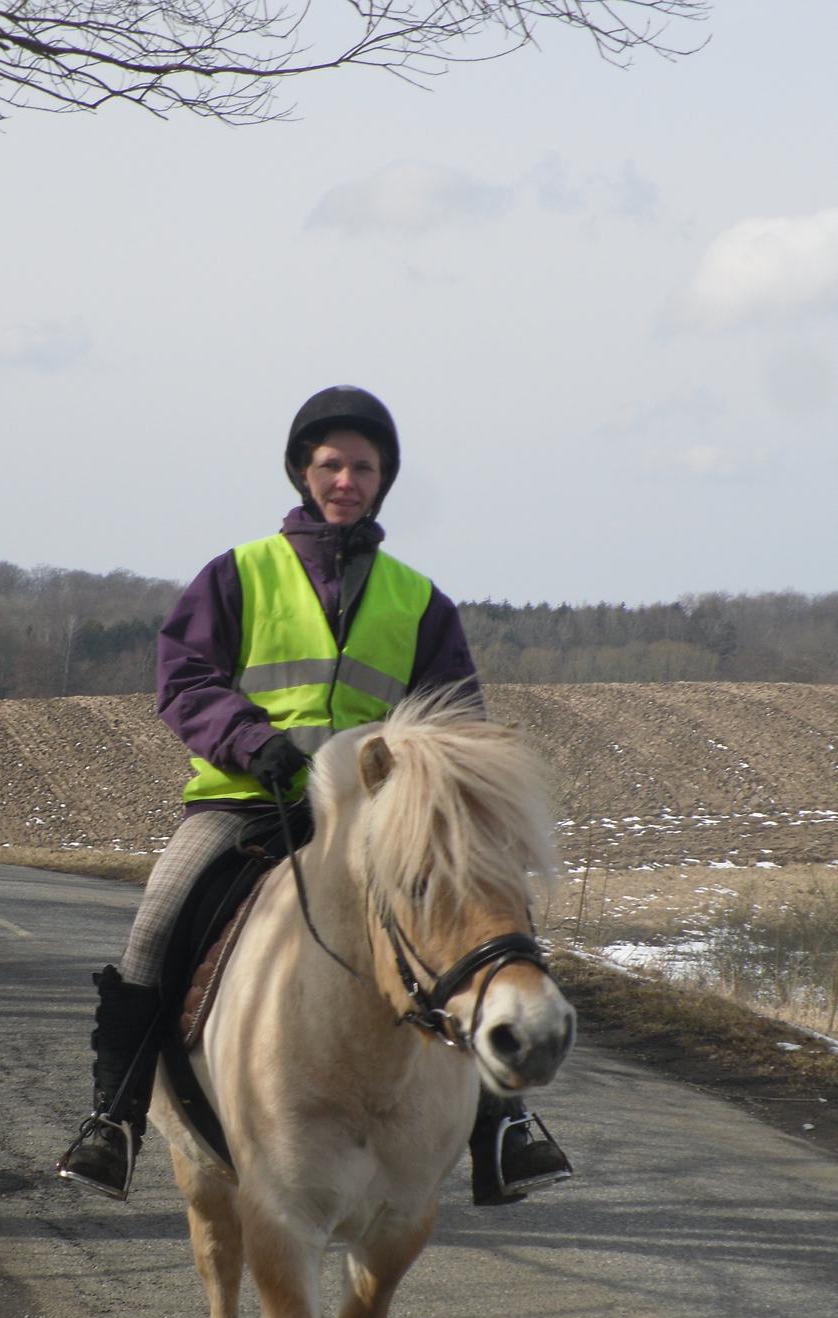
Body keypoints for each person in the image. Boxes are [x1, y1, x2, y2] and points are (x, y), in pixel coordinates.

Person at [57, 386, 571, 1205]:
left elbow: (457, 716)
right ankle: (112, 1118)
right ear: (303, 472)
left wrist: (432, 787)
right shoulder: (238, 574)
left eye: (363, 467)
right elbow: (183, 679)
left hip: (382, 813)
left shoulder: (419, 599)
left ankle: (504, 1125)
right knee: (155, 925)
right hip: (248, 796)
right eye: (330, 463)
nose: (346, 479)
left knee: (486, 925)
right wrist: (255, 742)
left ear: (382, 480)